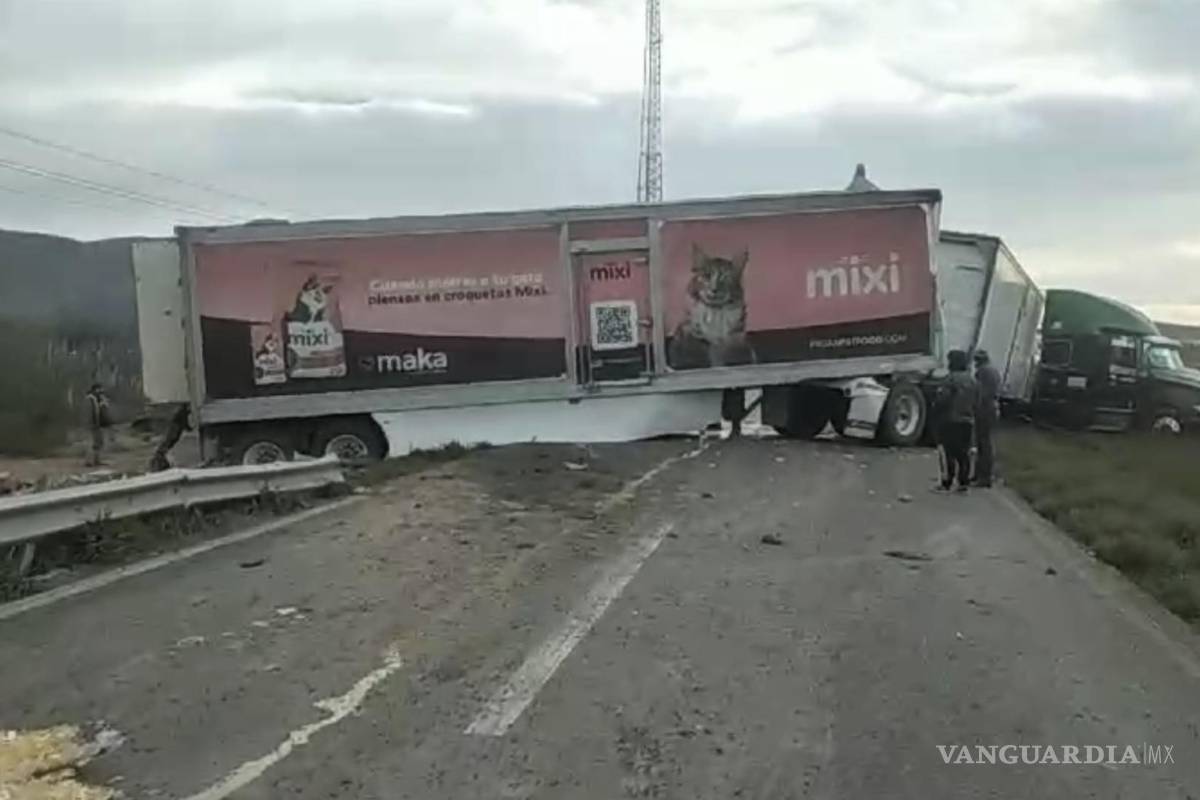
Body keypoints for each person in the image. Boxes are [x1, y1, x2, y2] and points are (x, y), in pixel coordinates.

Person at [933, 350, 978, 493]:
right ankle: (963, 482)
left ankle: (947, 482)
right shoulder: (973, 381)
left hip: (951, 420)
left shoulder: (950, 379)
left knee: (948, 453)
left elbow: (943, 400)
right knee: (963, 454)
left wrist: (935, 409)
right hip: (968, 421)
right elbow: (977, 402)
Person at [972, 349, 1001, 487]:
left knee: (983, 444)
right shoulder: (993, 370)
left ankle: (984, 477)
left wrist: (973, 407)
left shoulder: (982, 372)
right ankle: (982, 475)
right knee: (985, 442)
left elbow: (980, 393)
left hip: (985, 409)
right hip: (993, 408)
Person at [149, 403, 193, 472]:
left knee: (169, 442)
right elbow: (185, 423)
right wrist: (190, 429)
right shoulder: (182, 413)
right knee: (169, 441)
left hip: (174, 429)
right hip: (175, 429)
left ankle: (161, 459)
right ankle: (160, 461)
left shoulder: (181, 412)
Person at [84, 383, 111, 467]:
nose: (101, 391)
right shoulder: (89, 399)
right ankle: (89, 461)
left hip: (98, 424)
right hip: (91, 424)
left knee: (98, 443)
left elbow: (101, 410)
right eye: (99, 389)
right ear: (95, 389)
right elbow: (88, 413)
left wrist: (104, 403)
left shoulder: (98, 399)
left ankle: (97, 460)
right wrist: (90, 423)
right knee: (91, 443)